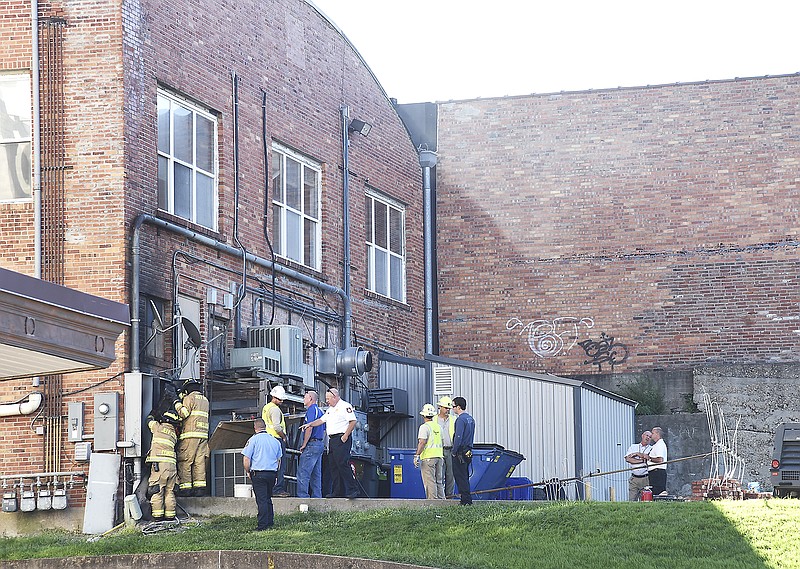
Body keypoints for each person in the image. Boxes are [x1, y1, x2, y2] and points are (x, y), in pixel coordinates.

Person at [300, 387, 360, 498]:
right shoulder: (330, 409)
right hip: (332, 440)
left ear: (335, 397)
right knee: (333, 465)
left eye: (328, 398)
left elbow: (353, 421)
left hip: (341, 438)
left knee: (342, 464)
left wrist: (345, 436)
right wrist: (310, 424)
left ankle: (352, 490)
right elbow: (322, 420)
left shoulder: (345, 406)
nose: (327, 401)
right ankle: (337, 491)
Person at [242, 418, 283, 531]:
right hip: (272, 473)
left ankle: (262, 524)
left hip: (258, 473)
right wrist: (276, 474)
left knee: (261, 499)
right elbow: (278, 460)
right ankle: (270, 521)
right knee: (268, 498)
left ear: (255, 428)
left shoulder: (253, 440)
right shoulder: (275, 441)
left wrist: (248, 471)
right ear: (265, 427)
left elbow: (246, 459)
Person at [174, 379, 210, 496]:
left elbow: (183, 414)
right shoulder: (205, 400)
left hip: (190, 436)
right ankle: (199, 488)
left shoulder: (189, 398)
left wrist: (176, 402)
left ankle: (186, 488)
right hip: (203, 436)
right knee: (199, 462)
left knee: (186, 461)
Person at [145, 409, 179, 521]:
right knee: (170, 491)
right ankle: (170, 516)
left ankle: (157, 516)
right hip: (172, 467)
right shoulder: (174, 434)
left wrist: (152, 413)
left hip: (159, 466)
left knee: (157, 490)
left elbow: (148, 420)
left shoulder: (158, 427)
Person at [296, 390, 325, 498]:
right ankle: (317, 497)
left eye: (305, 397)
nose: (304, 399)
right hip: (319, 443)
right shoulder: (321, 411)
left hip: (312, 444)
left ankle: (303, 497)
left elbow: (309, 427)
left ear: (310, 399)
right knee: (316, 474)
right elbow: (324, 430)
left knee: (303, 472)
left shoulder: (311, 410)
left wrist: (304, 444)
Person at [261, 384, 289, 496]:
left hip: (268, 439)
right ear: (275, 398)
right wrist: (283, 436)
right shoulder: (275, 410)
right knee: (280, 465)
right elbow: (277, 427)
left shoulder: (266, 408)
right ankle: (278, 489)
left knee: (270, 465)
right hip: (277, 439)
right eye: (281, 399)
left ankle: (270, 488)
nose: (282, 401)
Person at [415, 403, 445, 499]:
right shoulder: (439, 427)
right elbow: (442, 441)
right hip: (439, 457)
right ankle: (442, 502)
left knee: (430, 481)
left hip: (428, 458)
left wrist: (417, 455)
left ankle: (433, 503)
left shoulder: (424, 427)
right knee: (438, 481)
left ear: (423, 415)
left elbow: (422, 442)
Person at [451, 396, 475, 505]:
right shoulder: (470, 419)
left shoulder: (460, 420)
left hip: (460, 451)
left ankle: (465, 500)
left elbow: (458, 437)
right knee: (465, 475)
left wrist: (454, 451)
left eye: (453, 406)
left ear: (459, 407)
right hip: (468, 450)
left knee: (460, 476)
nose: (452, 409)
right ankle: (467, 498)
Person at [436, 396, 457, 497]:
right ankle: (440, 497)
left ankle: (449, 496)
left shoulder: (453, 419)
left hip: (450, 449)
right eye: (445, 408)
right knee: (439, 475)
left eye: (449, 408)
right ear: (440, 407)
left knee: (450, 475)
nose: (447, 410)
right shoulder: (434, 420)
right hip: (438, 450)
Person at [624, 430, 652, 501]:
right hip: (634, 478)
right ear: (642, 436)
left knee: (645, 500)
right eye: (647, 435)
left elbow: (648, 460)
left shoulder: (651, 448)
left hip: (645, 478)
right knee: (632, 499)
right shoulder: (633, 446)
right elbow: (628, 459)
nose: (648, 438)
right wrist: (642, 460)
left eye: (650, 437)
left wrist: (636, 458)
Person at [645, 426, 668, 495]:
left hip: (657, 472)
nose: (651, 435)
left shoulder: (660, 445)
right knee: (654, 492)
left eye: (653, 433)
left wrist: (649, 458)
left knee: (658, 492)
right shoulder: (656, 445)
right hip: (654, 472)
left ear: (657, 434)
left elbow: (660, 459)